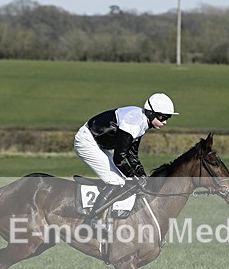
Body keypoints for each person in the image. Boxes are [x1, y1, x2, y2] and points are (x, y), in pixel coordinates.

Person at [74, 93, 178, 223]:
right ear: (151, 113)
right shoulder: (134, 122)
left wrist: (142, 177)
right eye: (163, 118)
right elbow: (120, 158)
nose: (165, 122)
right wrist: (135, 177)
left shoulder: (142, 122)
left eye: (167, 118)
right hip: (87, 141)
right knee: (117, 182)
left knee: (122, 180)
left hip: (96, 143)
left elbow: (132, 155)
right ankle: (92, 220)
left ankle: (107, 215)